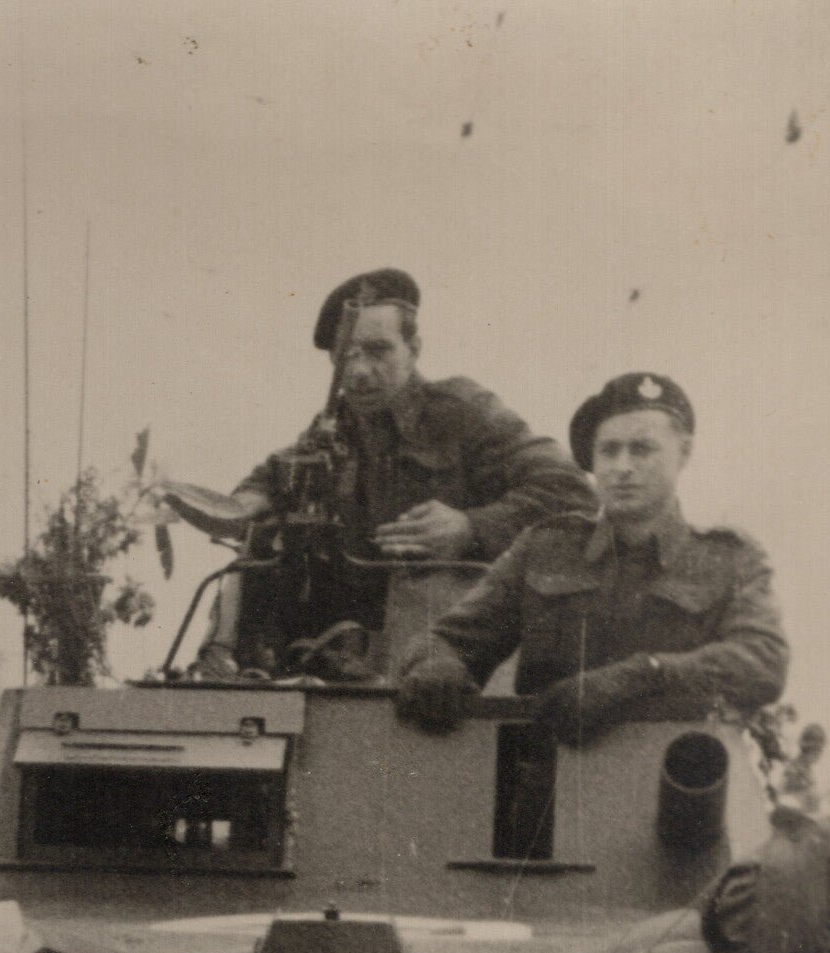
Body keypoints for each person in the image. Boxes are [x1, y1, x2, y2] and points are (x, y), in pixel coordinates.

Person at [209, 269, 593, 677]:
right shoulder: (333, 427)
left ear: (413, 348)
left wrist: (471, 528)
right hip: (349, 655)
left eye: (378, 351)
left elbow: (571, 492)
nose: (358, 371)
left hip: (446, 656)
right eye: (346, 356)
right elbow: (267, 480)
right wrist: (248, 506)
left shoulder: (463, 412)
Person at [397, 371, 788, 743]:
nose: (622, 468)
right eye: (608, 451)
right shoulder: (546, 549)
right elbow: (448, 638)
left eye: (642, 449)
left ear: (683, 452)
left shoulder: (728, 559)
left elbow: (762, 661)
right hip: (547, 781)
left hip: (670, 785)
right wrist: (440, 666)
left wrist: (643, 675)